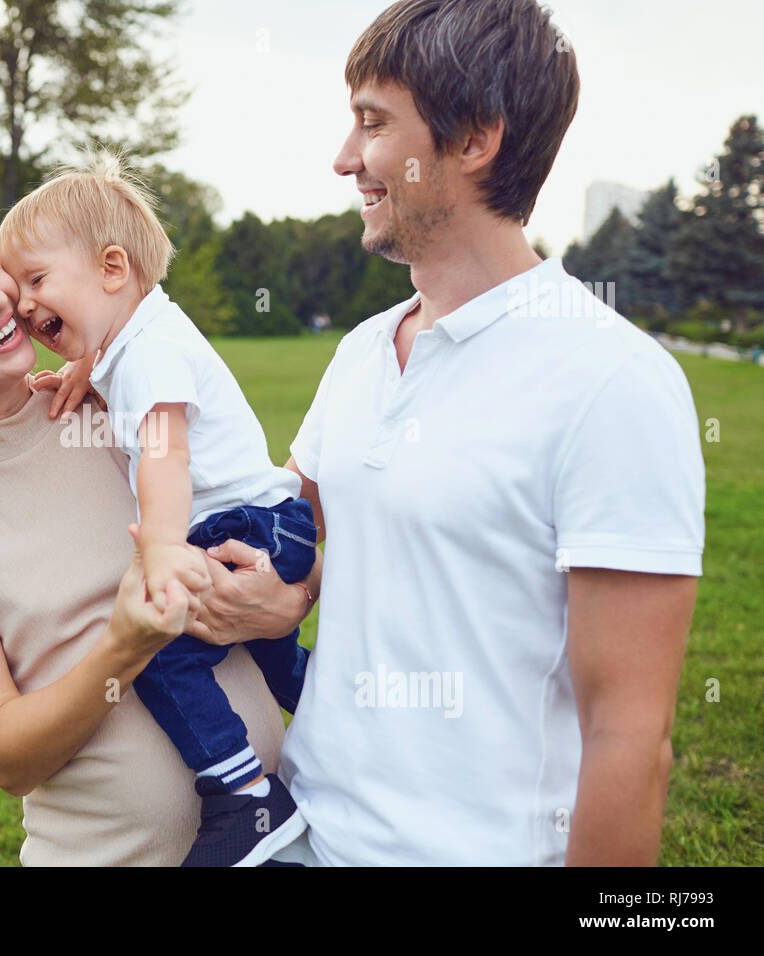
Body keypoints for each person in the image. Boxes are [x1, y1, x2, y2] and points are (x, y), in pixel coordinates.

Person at [264, 0, 706, 866]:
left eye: (372, 123)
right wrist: (118, 365)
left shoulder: (612, 381)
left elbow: (629, 738)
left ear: (474, 141)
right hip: (302, 832)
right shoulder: (361, 351)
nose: (345, 159)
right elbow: (287, 536)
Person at [0, 198, 321, 865]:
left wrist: (295, 594)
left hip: (275, 845)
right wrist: (122, 648)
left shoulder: (114, 404)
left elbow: (263, 511)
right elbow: (2, 753)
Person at [0, 152, 317, 866]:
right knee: (270, 655)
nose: (23, 305)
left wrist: (162, 550)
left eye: (38, 280)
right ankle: (356, 716)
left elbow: (166, 452)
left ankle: (243, 797)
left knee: (165, 657)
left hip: (242, 526)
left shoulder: (147, 354)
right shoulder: (135, 346)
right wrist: (90, 368)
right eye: (17, 292)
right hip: (269, 523)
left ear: (113, 270)